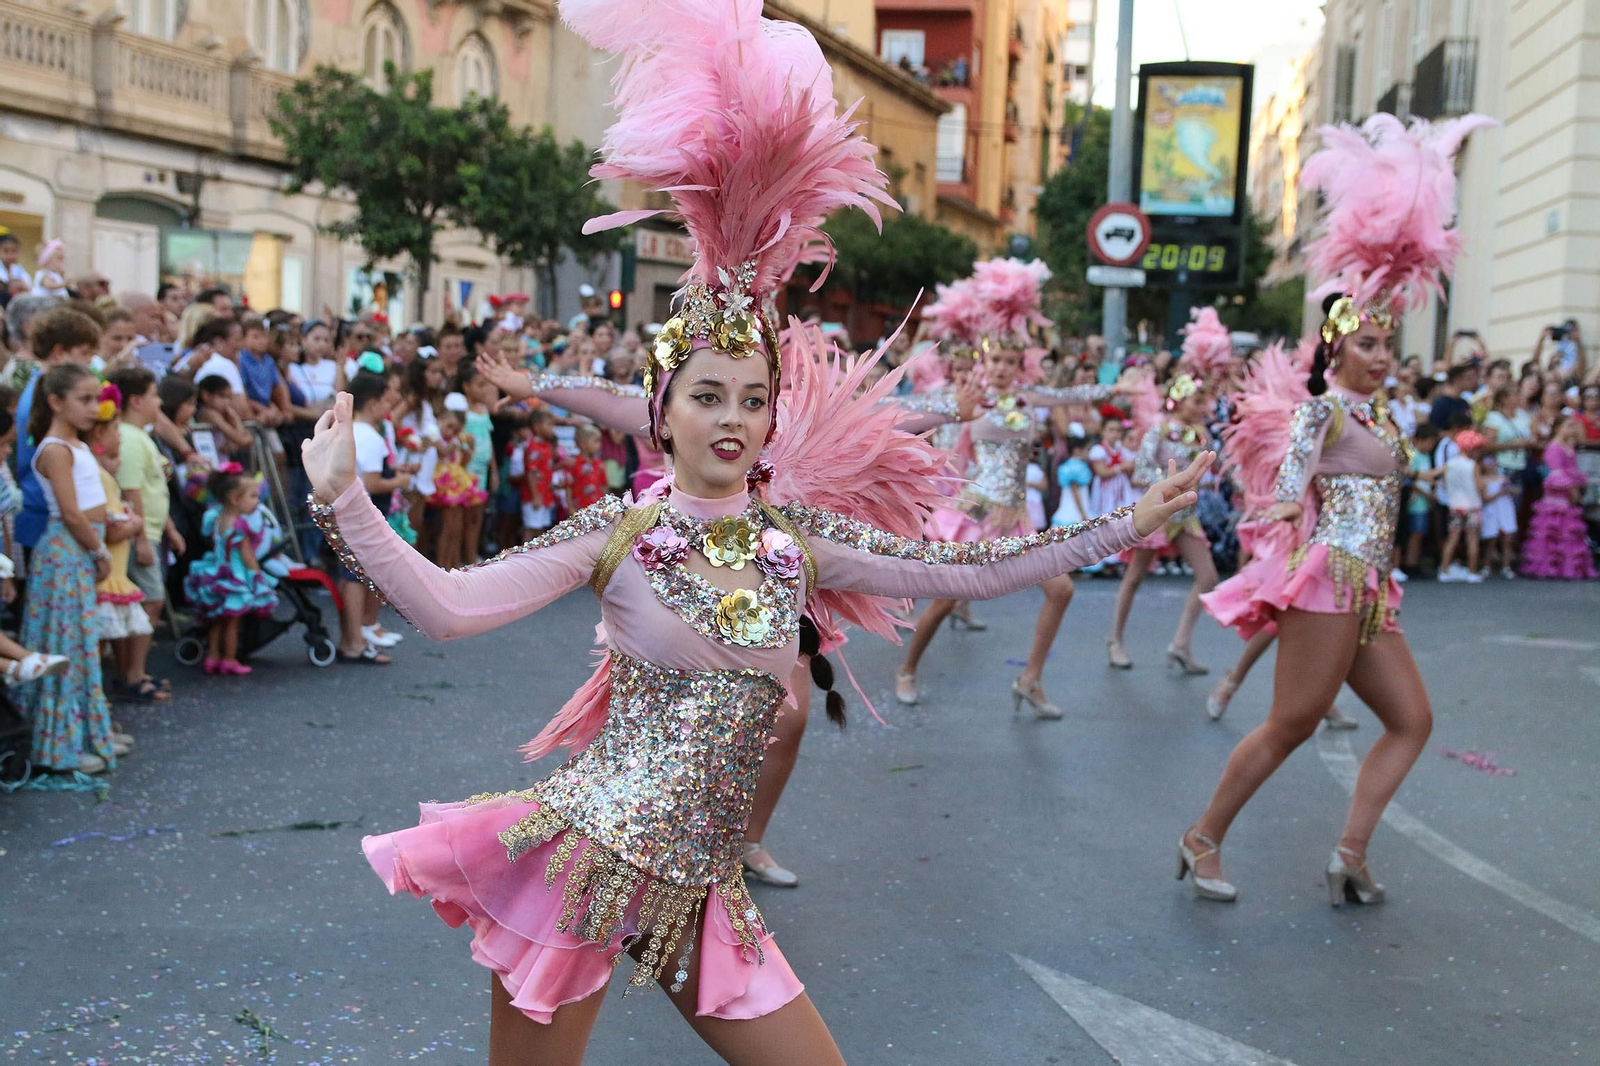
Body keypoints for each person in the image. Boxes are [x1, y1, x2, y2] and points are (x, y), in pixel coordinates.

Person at [306, 7, 1208, 1058]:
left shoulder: (796, 543)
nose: (731, 418)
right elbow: (450, 609)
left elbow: (974, 567)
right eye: (707, 397)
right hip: (589, 859)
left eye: (750, 398)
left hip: (697, 889)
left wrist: (1122, 524)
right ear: (662, 411)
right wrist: (347, 500)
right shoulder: (622, 533)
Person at [1183, 111, 1491, 906]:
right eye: (1368, 344)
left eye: (1389, 343)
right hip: (1327, 582)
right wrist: (1287, 508)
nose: (1383, 355)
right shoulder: (1325, 412)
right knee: (1293, 724)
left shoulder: (1387, 416)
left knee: (1411, 720)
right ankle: (1202, 838)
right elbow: (1291, 478)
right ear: (1336, 349)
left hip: (1369, 591)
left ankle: (1349, 853)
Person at [894, 258, 1122, 719]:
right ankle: (908, 670)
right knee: (947, 597)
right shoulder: (966, 401)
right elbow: (911, 415)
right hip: (980, 507)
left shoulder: (1027, 398)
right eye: (993, 359)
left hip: (1017, 514)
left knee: (1061, 591)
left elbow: (1071, 397)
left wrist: (1122, 389)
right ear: (983, 360)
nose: (1000, 367)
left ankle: (1030, 679)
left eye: (1008, 361)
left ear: (1020, 365)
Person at [17, 363, 124, 774]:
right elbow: (71, 514)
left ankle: (88, 732)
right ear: (55, 402)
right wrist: (99, 551)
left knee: (80, 641)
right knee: (67, 641)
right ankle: (56, 747)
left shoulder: (74, 445)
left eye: (94, 398)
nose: (93, 408)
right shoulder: (54, 449)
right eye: (83, 399)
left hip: (76, 548)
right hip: (67, 550)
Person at [1106, 373, 1218, 673]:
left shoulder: (1199, 434)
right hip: (1157, 514)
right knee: (1135, 576)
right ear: (1179, 399)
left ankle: (1180, 644)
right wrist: (1172, 484)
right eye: (1196, 401)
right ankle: (1115, 640)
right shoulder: (1158, 429)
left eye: (1202, 402)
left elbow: (1205, 473)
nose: (1200, 407)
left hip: (1184, 517)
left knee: (1208, 576)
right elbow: (1140, 470)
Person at [110, 366, 181, 700]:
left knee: (144, 603)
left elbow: (153, 489)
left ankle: (133, 672)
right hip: (141, 534)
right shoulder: (130, 438)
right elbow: (132, 492)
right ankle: (132, 675)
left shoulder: (140, 435)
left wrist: (169, 528)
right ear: (136, 401)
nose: (160, 400)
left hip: (151, 529)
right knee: (149, 602)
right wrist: (141, 540)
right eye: (154, 394)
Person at [15, 306, 101, 556]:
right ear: (59, 353)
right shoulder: (40, 400)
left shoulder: (44, 393)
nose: (90, 362)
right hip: (52, 524)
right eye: (85, 354)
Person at [184, 466, 278, 674]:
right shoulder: (240, 525)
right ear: (235, 499)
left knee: (217, 620)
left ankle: (212, 657)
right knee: (232, 622)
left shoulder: (217, 518)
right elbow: (247, 556)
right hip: (234, 576)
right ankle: (229, 659)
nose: (257, 501)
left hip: (216, 573)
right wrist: (258, 578)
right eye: (253, 496)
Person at [1520, 415, 1595, 580]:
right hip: (1556, 496)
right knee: (1553, 532)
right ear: (1559, 428)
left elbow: (1572, 468)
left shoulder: (1569, 446)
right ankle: (1548, 567)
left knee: (1568, 532)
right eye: (1569, 426)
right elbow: (1555, 474)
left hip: (1567, 495)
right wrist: (1572, 488)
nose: (1573, 430)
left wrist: (1577, 483)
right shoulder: (1554, 447)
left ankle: (1567, 567)